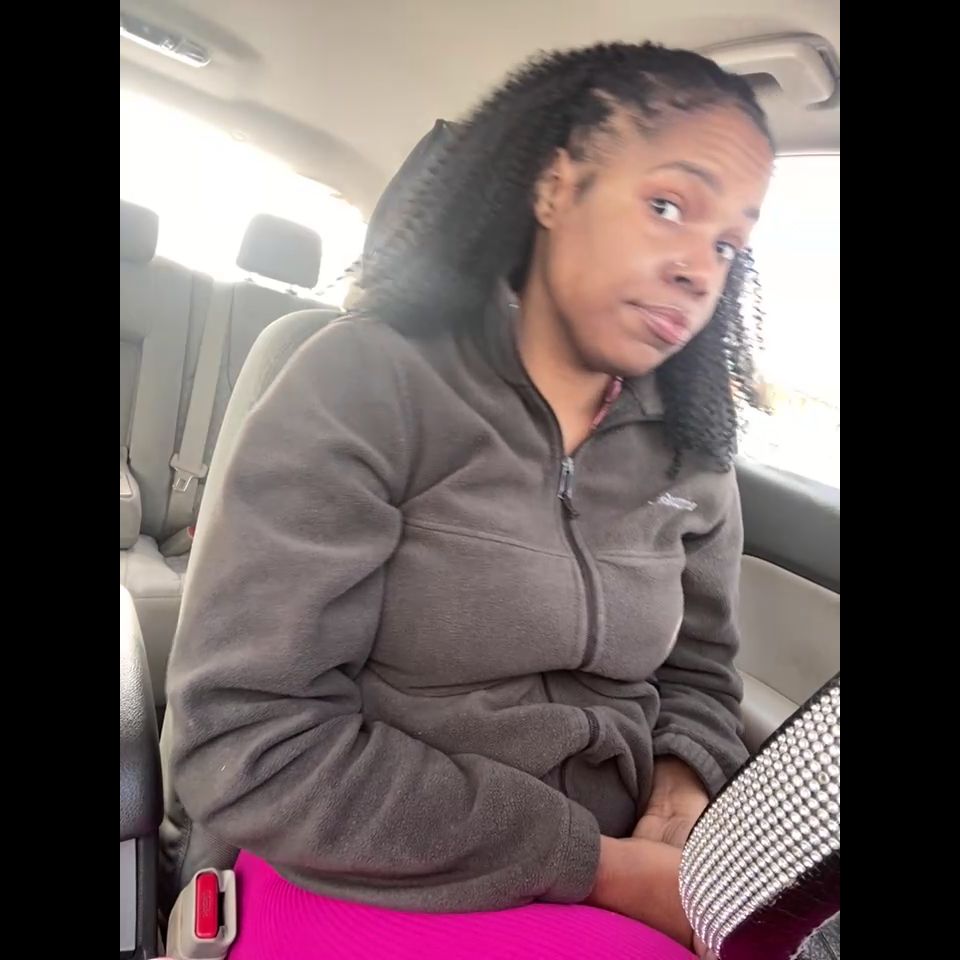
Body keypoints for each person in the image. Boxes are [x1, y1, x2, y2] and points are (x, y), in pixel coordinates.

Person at [163, 41, 776, 958]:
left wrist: (682, 785)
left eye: (727, 244)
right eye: (666, 206)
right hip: (359, 851)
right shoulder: (365, 384)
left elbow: (699, 676)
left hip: (616, 867)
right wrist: (596, 867)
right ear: (555, 188)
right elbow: (249, 742)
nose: (699, 267)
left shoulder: (693, 455)